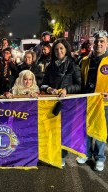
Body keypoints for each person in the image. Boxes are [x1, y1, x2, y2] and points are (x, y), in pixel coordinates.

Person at [40, 38, 81, 166]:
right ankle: (52, 153)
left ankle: (62, 155)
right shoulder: (50, 66)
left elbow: (79, 85)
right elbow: (42, 84)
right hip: (52, 104)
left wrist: (66, 90)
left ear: (66, 50)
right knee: (51, 130)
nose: (59, 51)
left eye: (61, 48)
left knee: (65, 131)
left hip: (68, 104)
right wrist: (48, 88)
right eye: (56, 49)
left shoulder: (73, 65)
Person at [76, 30, 108, 171]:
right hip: (87, 101)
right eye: (96, 41)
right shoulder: (85, 61)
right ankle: (87, 153)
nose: (98, 44)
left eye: (101, 41)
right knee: (86, 130)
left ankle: (100, 157)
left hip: (103, 103)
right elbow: (80, 81)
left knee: (100, 131)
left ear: (106, 44)